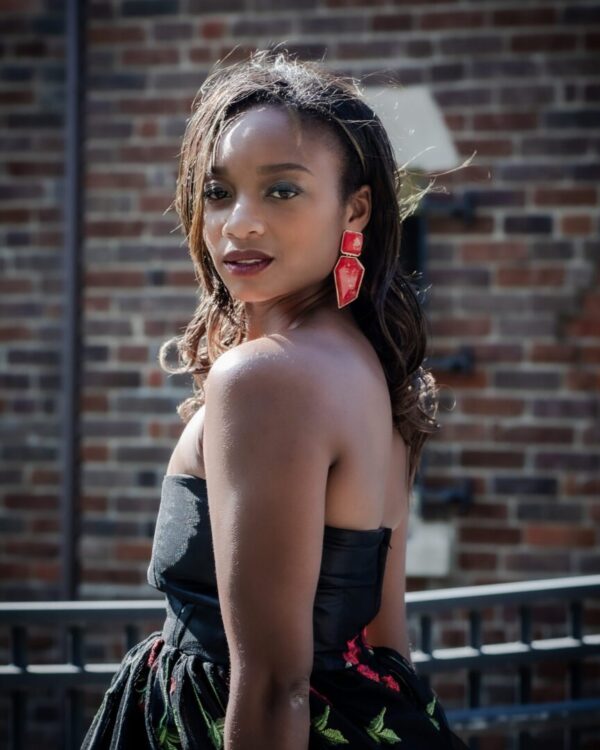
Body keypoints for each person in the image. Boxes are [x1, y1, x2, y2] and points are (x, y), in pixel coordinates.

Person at [82, 50, 466, 750]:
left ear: (356, 208)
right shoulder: (377, 369)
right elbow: (387, 641)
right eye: (219, 192)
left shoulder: (264, 379)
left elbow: (271, 685)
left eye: (282, 191)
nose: (240, 224)